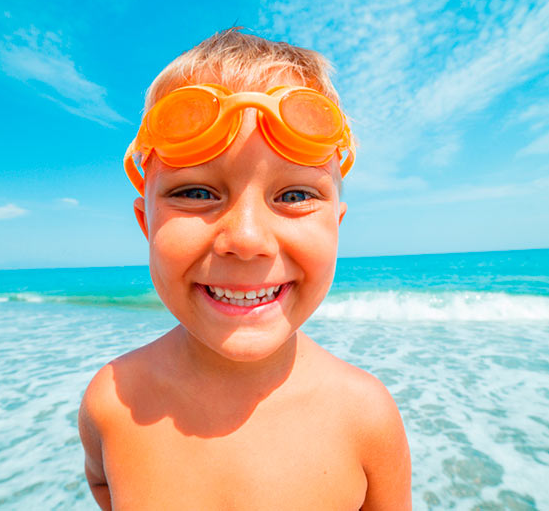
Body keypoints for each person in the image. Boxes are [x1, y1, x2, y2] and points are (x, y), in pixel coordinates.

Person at [78, 28, 411, 510]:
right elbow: (102, 484)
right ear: (145, 223)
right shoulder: (110, 402)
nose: (247, 239)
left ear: (336, 225)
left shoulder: (365, 417)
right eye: (196, 192)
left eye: (294, 195)